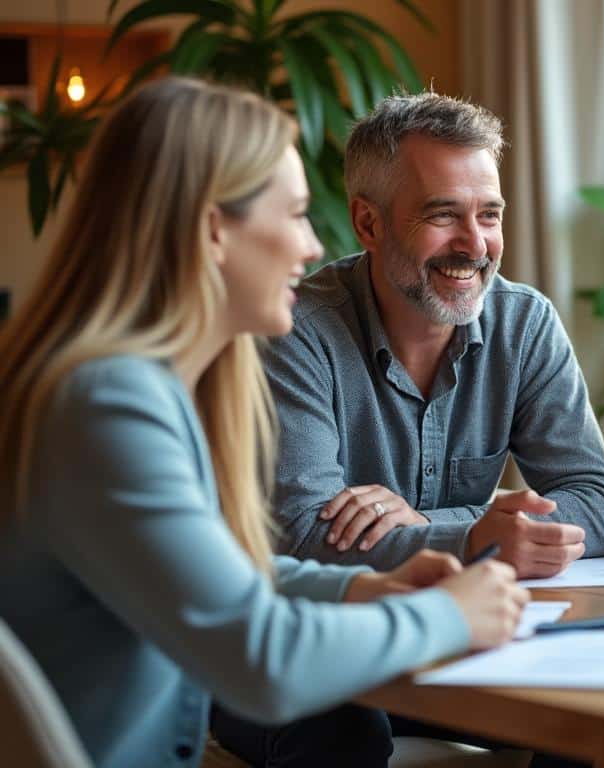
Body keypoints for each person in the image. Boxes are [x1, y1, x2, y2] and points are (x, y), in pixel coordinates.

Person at [0, 77, 527, 768]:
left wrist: (361, 586)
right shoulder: (109, 406)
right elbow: (264, 661)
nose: (313, 246)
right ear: (214, 229)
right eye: (297, 214)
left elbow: (221, 577)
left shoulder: (133, 387)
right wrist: (452, 615)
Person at [262, 91, 604, 577]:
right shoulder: (298, 332)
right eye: (443, 215)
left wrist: (441, 526)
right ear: (368, 224)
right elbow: (302, 534)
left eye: (489, 215)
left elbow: (600, 504)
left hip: (494, 625)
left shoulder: (524, 324)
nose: (475, 245)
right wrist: (474, 535)